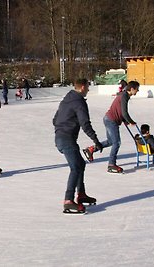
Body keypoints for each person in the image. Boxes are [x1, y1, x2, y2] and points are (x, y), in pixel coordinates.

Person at [53, 78, 103, 214]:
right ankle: (68, 201)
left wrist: (62, 127)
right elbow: (85, 123)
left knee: (80, 164)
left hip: (61, 137)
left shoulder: (67, 99)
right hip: (66, 138)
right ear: (82, 87)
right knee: (75, 167)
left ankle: (81, 194)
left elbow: (55, 119)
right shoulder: (79, 102)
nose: (88, 89)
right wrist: (96, 140)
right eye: (87, 87)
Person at [83, 81, 140, 174]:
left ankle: (91, 149)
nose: (138, 91)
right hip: (111, 120)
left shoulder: (124, 95)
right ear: (132, 89)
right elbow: (124, 112)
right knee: (116, 142)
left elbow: (121, 112)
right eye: (137, 89)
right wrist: (130, 121)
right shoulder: (124, 96)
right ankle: (111, 165)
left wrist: (126, 121)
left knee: (110, 141)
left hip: (109, 119)